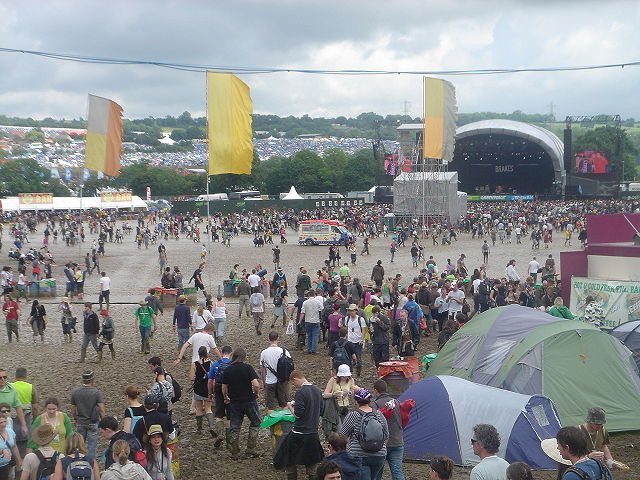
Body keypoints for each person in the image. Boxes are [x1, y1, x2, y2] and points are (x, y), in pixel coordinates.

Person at [274, 370, 324, 480]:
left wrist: (290, 405)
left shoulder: (301, 392)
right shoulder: (317, 390)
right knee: (312, 464)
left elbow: (298, 414)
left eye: (293, 383)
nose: (294, 386)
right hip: (313, 433)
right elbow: (321, 410)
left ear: (295, 379)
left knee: (288, 459)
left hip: (299, 433)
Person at [221, 347, 261, 459]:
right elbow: (256, 384)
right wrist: (256, 393)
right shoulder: (247, 368)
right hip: (249, 400)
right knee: (256, 422)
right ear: (244, 357)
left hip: (234, 402)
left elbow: (224, 387)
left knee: (235, 426)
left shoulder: (228, 370)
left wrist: (225, 397)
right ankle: (250, 448)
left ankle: (234, 451)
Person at [340, 389, 388, 480]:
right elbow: (386, 436)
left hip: (359, 455)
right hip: (380, 455)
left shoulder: (353, 415)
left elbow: (342, 436)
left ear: (356, 401)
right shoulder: (379, 414)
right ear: (370, 400)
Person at [69, 370, 105, 459]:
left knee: (79, 445)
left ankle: (78, 461)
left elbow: (73, 408)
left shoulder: (75, 392)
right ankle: (91, 464)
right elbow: (101, 409)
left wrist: (74, 418)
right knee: (91, 447)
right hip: (93, 422)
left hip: (81, 422)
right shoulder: (96, 392)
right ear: (92, 380)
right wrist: (104, 422)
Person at [373, 379, 404, 480]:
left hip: (381, 444)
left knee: (377, 473)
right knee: (397, 472)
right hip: (398, 441)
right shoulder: (397, 402)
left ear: (376, 391)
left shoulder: (375, 405)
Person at [259, 331, 292, 414]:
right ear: (278, 339)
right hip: (283, 381)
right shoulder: (284, 352)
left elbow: (262, 370)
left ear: (269, 339)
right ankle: (283, 424)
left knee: (271, 406)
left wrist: (264, 382)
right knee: (284, 404)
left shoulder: (264, 353)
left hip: (269, 381)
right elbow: (290, 367)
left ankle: (273, 425)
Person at [207, 345, 233, 449]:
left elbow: (210, 380)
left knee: (219, 414)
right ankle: (229, 440)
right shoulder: (232, 364)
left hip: (218, 388)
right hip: (230, 389)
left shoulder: (216, 364)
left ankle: (220, 434)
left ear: (222, 353)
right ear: (230, 353)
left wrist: (210, 393)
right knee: (230, 416)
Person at [11, 367, 38, 457]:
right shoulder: (30, 387)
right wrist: (35, 419)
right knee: (27, 439)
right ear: (26, 375)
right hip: (26, 416)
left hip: (13, 416)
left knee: (13, 439)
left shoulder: (11, 386)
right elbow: (35, 408)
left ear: (15, 376)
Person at [190, 346, 215, 434]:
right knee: (208, 408)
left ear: (199, 354)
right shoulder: (211, 363)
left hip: (198, 389)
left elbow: (191, 378)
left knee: (199, 409)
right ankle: (211, 426)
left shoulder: (195, 364)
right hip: (208, 389)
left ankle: (199, 429)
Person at [343, 305, 366, 376]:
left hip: (358, 341)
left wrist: (362, 339)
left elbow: (363, 330)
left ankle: (358, 371)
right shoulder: (347, 319)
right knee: (348, 357)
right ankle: (350, 372)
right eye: (350, 311)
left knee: (358, 358)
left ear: (356, 311)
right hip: (349, 341)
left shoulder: (360, 319)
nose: (351, 312)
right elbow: (346, 329)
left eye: (352, 311)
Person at [301, 290, 324, 354]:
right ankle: (313, 349)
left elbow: (302, 312)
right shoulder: (317, 302)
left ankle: (309, 348)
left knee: (309, 335)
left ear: (308, 295)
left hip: (307, 320)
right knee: (315, 335)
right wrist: (321, 318)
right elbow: (322, 309)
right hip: (316, 320)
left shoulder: (305, 302)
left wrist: (300, 321)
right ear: (314, 295)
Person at [0, 415, 21, 480]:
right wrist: (2, 451)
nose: (3, 424)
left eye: (5, 421)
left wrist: (18, 462)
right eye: (0, 422)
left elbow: (14, 447)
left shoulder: (10, 431)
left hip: (9, 464)